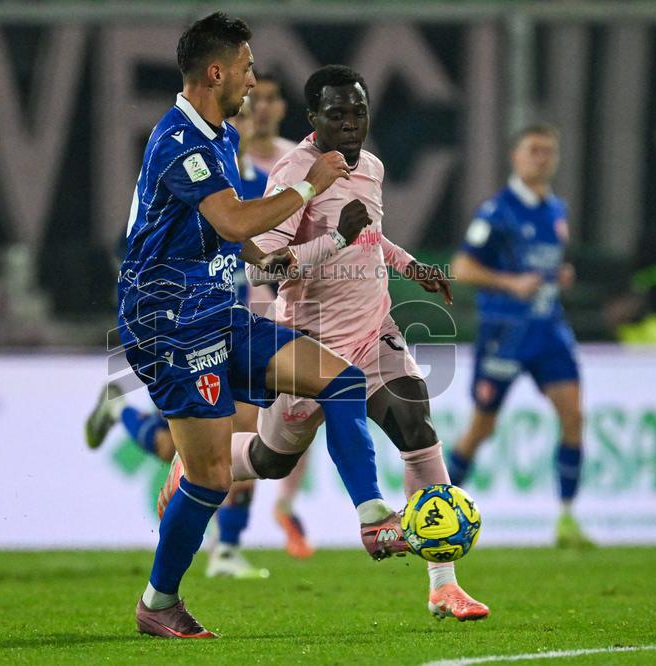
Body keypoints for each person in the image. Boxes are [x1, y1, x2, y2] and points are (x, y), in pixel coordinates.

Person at [120, 13, 407, 638]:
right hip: (167, 323)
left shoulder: (218, 132)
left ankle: (373, 514)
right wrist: (310, 187)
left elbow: (227, 233)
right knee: (212, 476)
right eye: (247, 68)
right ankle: (159, 600)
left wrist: (271, 260)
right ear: (216, 71)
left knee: (341, 381)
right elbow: (229, 219)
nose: (253, 80)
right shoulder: (179, 140)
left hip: (218, 309)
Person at [221, 64, 488, 621]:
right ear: (313, 119)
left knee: (417, 426)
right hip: (310, 344)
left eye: (358, 111)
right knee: (269, 460)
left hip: (374, 333)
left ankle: (444, 585)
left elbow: (369, 233)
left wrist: (412, 267)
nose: (350, 123)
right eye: (336, 114)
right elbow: (269, 264)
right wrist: (334, 238)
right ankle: (196, 467)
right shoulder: (295, 174)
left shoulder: (371, 166)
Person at [85, 100, 272, 581]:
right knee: (192, 452)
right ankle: (121, 413)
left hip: (233, 317)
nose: (248, 118)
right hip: (183, 322)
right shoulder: (196, 161)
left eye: (254, 113)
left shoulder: (262, 183)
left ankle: (226, 548)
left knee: (238, 440)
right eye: (244, 112)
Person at [446, 124, 594, 549]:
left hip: (548, 328)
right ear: (516, 156)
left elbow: (540, 266)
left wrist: (555, 276)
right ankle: (430, 509)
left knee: (574, 416)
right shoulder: (498, 211)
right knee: (481, 430)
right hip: (505, 332)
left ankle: (566, 519)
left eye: (549, 151)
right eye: (534, 150)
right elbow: (462, 267)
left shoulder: (555, 210)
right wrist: (512, 284)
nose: (542, 158)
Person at [245, 72, 298, 175]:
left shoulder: (298, 157)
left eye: (270, 99)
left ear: (282, 107)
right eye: (254, 99)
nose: (262, 107)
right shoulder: (228, 159)